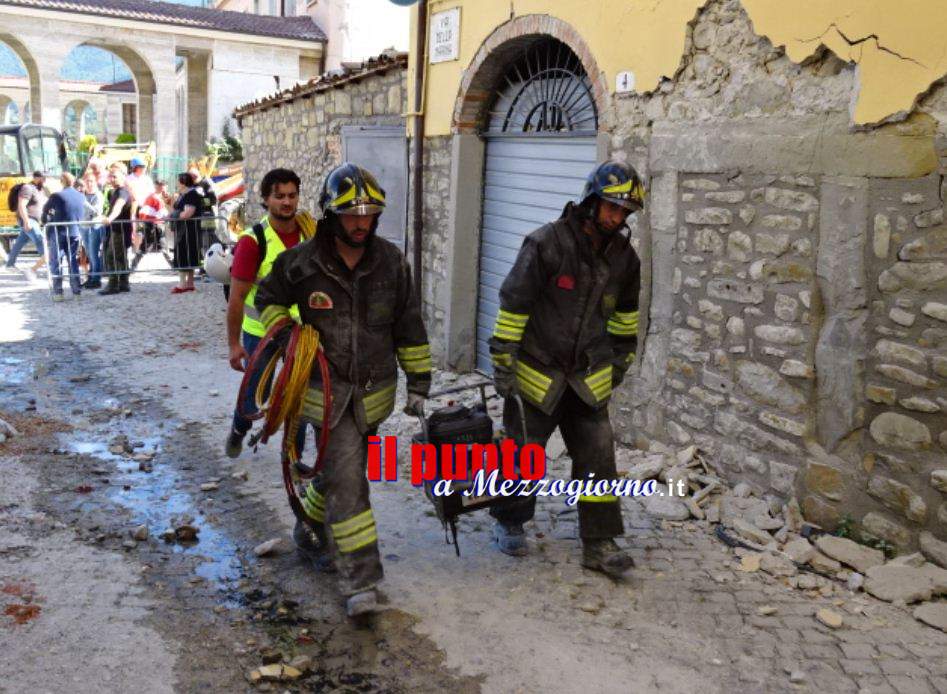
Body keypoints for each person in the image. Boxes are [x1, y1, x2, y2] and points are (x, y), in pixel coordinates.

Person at [254, 163, 431, 618]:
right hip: (324, 397)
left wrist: (420, 384)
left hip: (373, 397)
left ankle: (308, 522)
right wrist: (286, 333)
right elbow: (267, 298)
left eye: (369, 214)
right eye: (351, 214)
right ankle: (359, 581)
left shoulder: (391, 262)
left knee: (341, 474)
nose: (360, 223)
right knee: (351, 484)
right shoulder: (302, 263)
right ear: (331, 214)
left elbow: (409, 324)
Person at [488, 161, 644, 578]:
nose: (617, 217)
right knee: (523, 455)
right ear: (592, 201)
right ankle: (510, 522)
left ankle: (599, 543)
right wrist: (504, 360)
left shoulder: (625, 260)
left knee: (599, 456)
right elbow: (514, 303)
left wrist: (619, 365)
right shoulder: (546, 244)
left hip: (588, 379)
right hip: (537, 372)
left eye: (624, 212)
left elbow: (626, 320)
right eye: (612, 207)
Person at [225, 168, 315, 458]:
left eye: (292, 195)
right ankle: (239, 429)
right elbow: (236, 298)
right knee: (254, 396)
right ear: (266, 200)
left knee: (295, 398)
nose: (287, 202)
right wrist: (234, 345)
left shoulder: (310, 235)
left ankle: (294, 461)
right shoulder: (253, 242)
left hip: (299, 334)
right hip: (261, 334)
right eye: (279, 197)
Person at [41, 172, 87, 299]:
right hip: (74, 233)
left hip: (58, 232)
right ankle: (76, 291)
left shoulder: (56, 196)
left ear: (61, 182)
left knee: (56, 262)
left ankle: (58, 292)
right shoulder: (81, 196)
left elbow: (45, 212)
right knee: (73, 262)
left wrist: (46, 221)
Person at [4, 170, 47, 279]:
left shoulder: (38, 189)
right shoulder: (27, 188)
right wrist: (26, 221)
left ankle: (9, 264)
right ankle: (48, 261)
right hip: (29, 219)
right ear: (37, 178)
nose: (45, 181)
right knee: (39, 240)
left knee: (20, 242)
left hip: (33, 220)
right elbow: (21, 206)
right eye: (43, 178)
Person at [98, 162, 133, 295]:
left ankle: (114, 284)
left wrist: (110, 218)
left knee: (112, 256)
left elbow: (118, 207)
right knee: (119, 257)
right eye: (110, 176)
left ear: (123, 176)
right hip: (116, 228)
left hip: (121, 230)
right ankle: (123, 283)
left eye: (114, 176)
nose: (111, 179)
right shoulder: (115, 191)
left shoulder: (123, 192)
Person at [170, 172, 203, 293]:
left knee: (185, 254)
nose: (177, 183)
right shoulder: (182, 195)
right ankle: (189, 283)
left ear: (183, 182)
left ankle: (183, 284)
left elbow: (187, 213)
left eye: (178, 181)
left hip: (188, 230)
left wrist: (175, 215)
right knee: (186, 254)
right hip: (182, 229)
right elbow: (175, 210)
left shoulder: (191, 195)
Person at [131, 179, 173, 270]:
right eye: (162, 186)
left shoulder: (162, 198)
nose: (164, 188)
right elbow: (146, 213)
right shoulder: (153, 197)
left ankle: (173, 265)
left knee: (162, 247)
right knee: (146, 247)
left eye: (164, 186)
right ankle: (133, 266)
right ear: (157, 186)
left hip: (158, 225)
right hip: (152, 226)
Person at [79, 171, 105, 289]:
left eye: (91, 181)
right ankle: (91, 276)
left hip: (94, 226)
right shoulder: (82, 194)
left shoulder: (98, 195)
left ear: (95, 182)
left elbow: (97, 211)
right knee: (89, 253)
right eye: (87, 181)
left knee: (94, 253)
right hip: (83, 226)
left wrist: (84, 203)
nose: (89, 184)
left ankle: (96, 279)